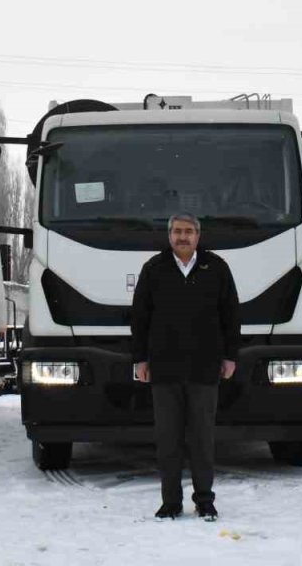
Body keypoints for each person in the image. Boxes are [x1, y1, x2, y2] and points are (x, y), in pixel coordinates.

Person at [131, 213, 241, 522]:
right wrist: (140, 359)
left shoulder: (216, 268)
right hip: (164, 370)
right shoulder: (153, 269)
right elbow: (140, 318)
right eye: (178, 231)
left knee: (203, 439)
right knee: (168, 440)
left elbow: (231, 315)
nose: (183, 236)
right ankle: (171, 502)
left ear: (198, 235)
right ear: (169, 236)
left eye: (189, 231)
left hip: (205, 369)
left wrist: (230, 356)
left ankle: (205, 501)